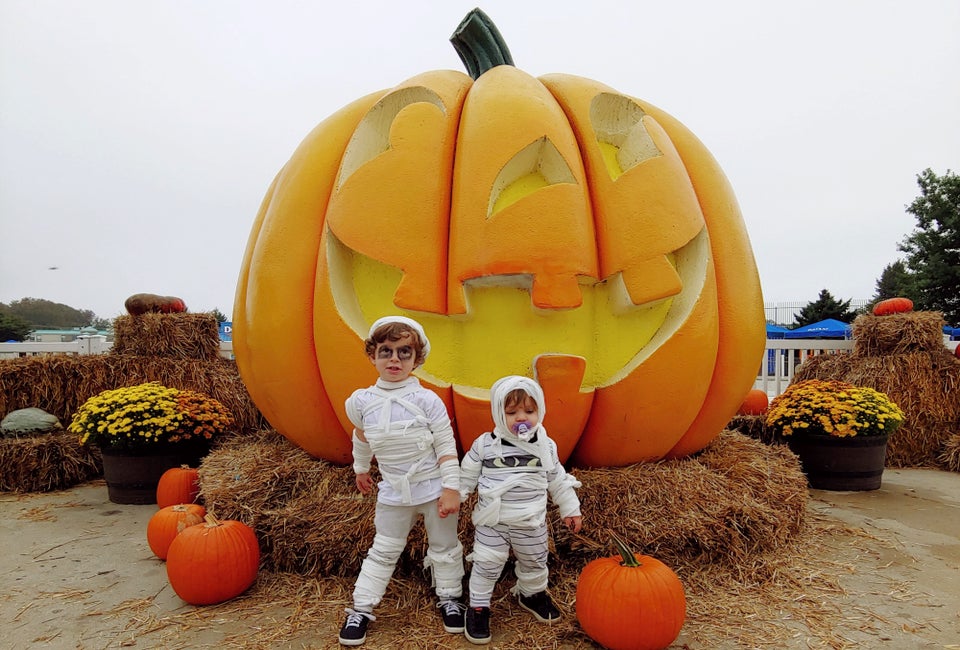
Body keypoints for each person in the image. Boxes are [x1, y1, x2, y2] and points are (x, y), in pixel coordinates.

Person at [338, 316, 465, 647]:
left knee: (444, 547)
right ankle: (362, 608)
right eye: (386, 351)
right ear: (373, 355)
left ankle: (450, 597)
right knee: (384, 548)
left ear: (417, 359)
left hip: (433, 487)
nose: (394, 359)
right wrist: (361, 468)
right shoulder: (362, 402)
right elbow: (362, 437)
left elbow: (446, 447)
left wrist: (451, 488)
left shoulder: (427, 401)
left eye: (404, 352)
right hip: (393, 491)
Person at [459, 375, 583, 645]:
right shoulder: (485, 445)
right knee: (486, 563)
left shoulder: (545, 446)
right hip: (493, 522)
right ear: (497, 413)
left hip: (531, 521)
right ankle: (479, 607)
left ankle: (532, 593)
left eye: (529, 411)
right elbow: (466, 475)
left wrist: (570, 508)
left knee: (535, 559)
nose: (521, 418)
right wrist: (455, 496)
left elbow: (557, 479)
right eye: (511, 412)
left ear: (540, 410)